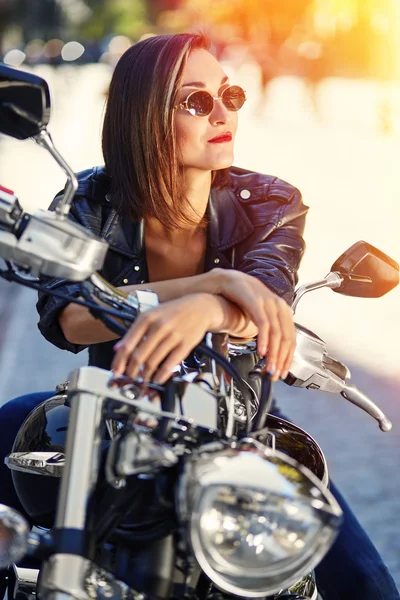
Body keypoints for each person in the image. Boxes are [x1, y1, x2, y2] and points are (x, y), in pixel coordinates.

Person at [0, 33, 398, 600]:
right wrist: (213, 283)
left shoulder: (271, 203)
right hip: (114, 414)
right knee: (15, 428)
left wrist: (208, 306)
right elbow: (68, 318)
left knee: (368, 586)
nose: (223, 112)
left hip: (235, 425)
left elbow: (266, 307)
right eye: (195, 101)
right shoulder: (91, 200)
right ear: (145, 117)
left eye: (229, 94)